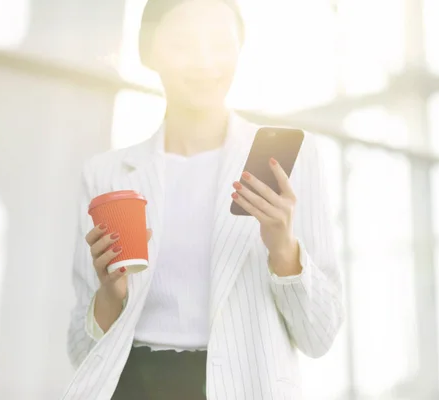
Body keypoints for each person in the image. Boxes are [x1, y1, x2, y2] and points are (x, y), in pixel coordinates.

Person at [63, 0, 344, 399]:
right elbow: (80, 350)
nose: (205, 61)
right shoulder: (106, 175)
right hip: (131, 387)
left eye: (219, 43)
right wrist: (110, 296)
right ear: (149, 51)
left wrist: (284, 251)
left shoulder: (290, 162)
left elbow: (321, 335)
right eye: (183, 44)